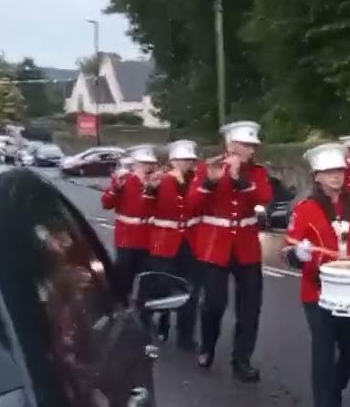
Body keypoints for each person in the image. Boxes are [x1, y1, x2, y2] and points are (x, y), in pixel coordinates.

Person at [284, 143, 350, 407]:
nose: (335, 176)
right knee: (323, 351)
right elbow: (288, 250)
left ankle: (333, 392)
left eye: (338, 170)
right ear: (317, 177)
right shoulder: (305, 209)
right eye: (328, 172)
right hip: (318, 291)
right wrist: (300, 253)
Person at [186, 121, 274, 381]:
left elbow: (265, 197)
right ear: (230, 146)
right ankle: (208, 345)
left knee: (250, 307)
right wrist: (210, 183)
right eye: (245, 145)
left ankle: (241, 359)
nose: (250, 150)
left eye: (252, 145)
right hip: (215, 244)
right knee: (214, 303)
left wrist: (240, 180)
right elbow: (192, 205)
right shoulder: (207, 168)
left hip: (246, 245)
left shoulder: (257, 172)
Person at [148, 140, 202, 350]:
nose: (186, 164)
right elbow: (146, 206)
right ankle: (161, 320)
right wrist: (151, 190)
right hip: (164, 243)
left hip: (190, 242)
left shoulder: (198, 182)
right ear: (172, 161)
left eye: (189, 160)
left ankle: (185, 336)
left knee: (191, 290)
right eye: (182, 160)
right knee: (163, 287)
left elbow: (197, 205)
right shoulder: (160, 180)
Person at [101, 145, 157, 296]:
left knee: (148, 282)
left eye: (150, 164)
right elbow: (106, 203)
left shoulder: (156, 182)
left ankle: (144, 313)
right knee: (124, 280)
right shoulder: (123, 180)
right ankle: (123, 308)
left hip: (149, 239)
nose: (147, 168)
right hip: (126, 239)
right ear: (134, 165)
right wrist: (116, 189)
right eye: (143, 164)